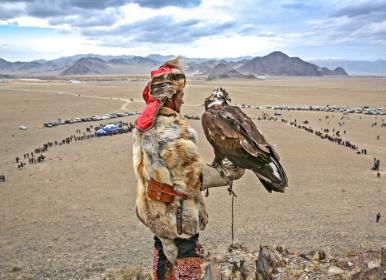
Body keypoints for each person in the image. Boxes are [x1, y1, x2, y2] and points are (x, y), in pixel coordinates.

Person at [132, 57, 244, 280]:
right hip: (178, 214)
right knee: (186, 252)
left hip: (155, 208)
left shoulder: (146, 126)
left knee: (162, 244)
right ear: (170, 98)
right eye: (180, 96)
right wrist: (229, 173)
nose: (183, 101)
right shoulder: (171, 133)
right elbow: (192, 181)